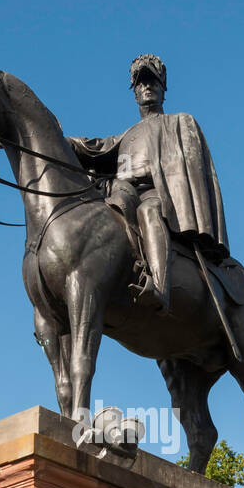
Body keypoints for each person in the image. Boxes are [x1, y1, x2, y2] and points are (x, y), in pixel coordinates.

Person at [67, 55, 229, 313]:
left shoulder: (178, 122)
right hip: (123, 193)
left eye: (153, 81)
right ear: (134, 93)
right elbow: (90, 147)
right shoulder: (125, 136)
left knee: (148, 212)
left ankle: (159, 287)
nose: (147, 87)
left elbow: (194, 167)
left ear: (164, 88)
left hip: (158, 195)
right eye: (141, 83)